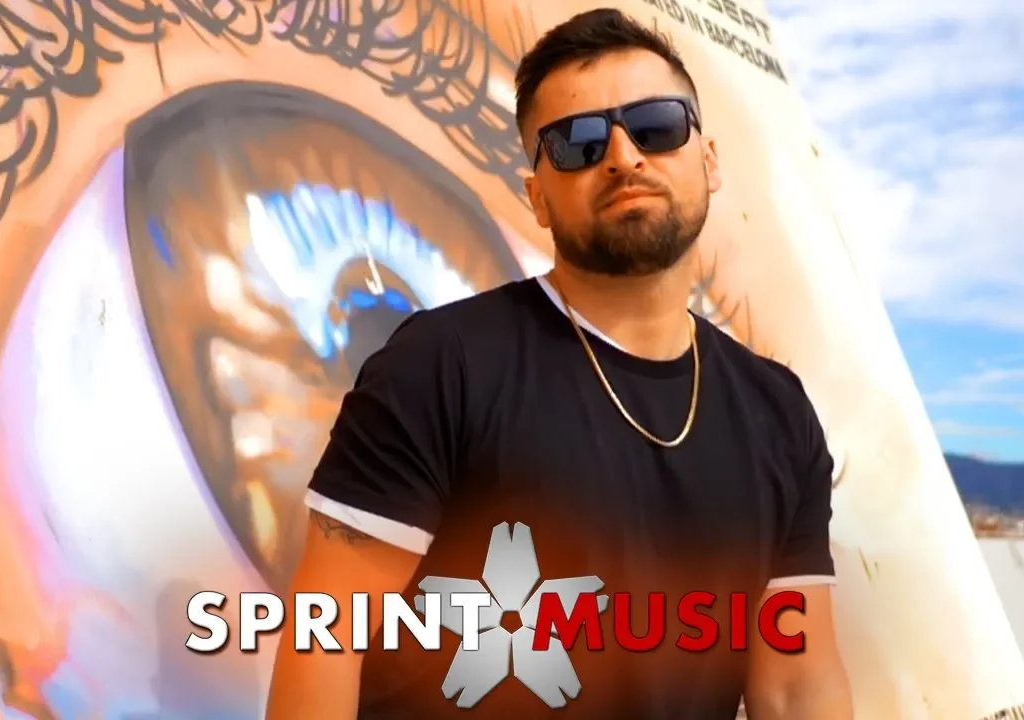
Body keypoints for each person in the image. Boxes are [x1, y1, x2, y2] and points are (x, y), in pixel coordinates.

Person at [266, 8, 853, 719]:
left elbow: (796, 685)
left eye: (657, 126)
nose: (624, 157)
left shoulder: (778, 412)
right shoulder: (438, 365)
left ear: (709, 159)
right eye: (577, 143)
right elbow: (327, 639)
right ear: (537, 196)